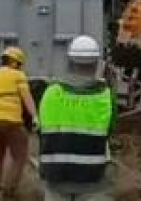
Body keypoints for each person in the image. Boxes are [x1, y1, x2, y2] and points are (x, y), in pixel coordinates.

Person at [39, 35, 116, 200]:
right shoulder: (105, 96)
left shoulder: (51, 93)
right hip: (93, 177)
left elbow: (42, 131)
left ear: (69, 61)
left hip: (55, 175)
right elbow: (109, 132)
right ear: (96, 63)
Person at [0, 46, 39, 201]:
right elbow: (27, 98)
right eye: (19, 64)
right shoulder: (18, 76)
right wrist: (35, 117)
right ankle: (6, 192)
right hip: (11, 121)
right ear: (13, 62)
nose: (20, 67)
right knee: (19, 156)